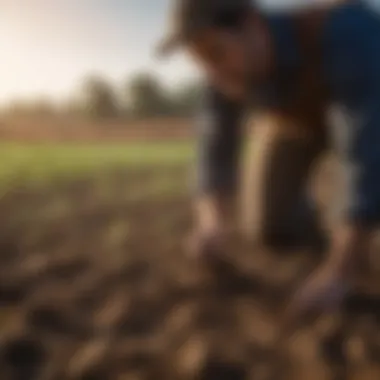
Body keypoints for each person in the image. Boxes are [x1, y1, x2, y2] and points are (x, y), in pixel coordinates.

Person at [156, 0, 380, 321]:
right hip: (298, 126)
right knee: (270, 226)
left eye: (216, 52)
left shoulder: (349, 32)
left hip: (367, 117)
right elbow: (215, 146)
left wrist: (342, 269)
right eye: (199, 61)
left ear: (252, 25)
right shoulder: (222, 73)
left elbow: (368, 154)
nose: (212, 74)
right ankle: (323, 240)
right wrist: (212, 223)